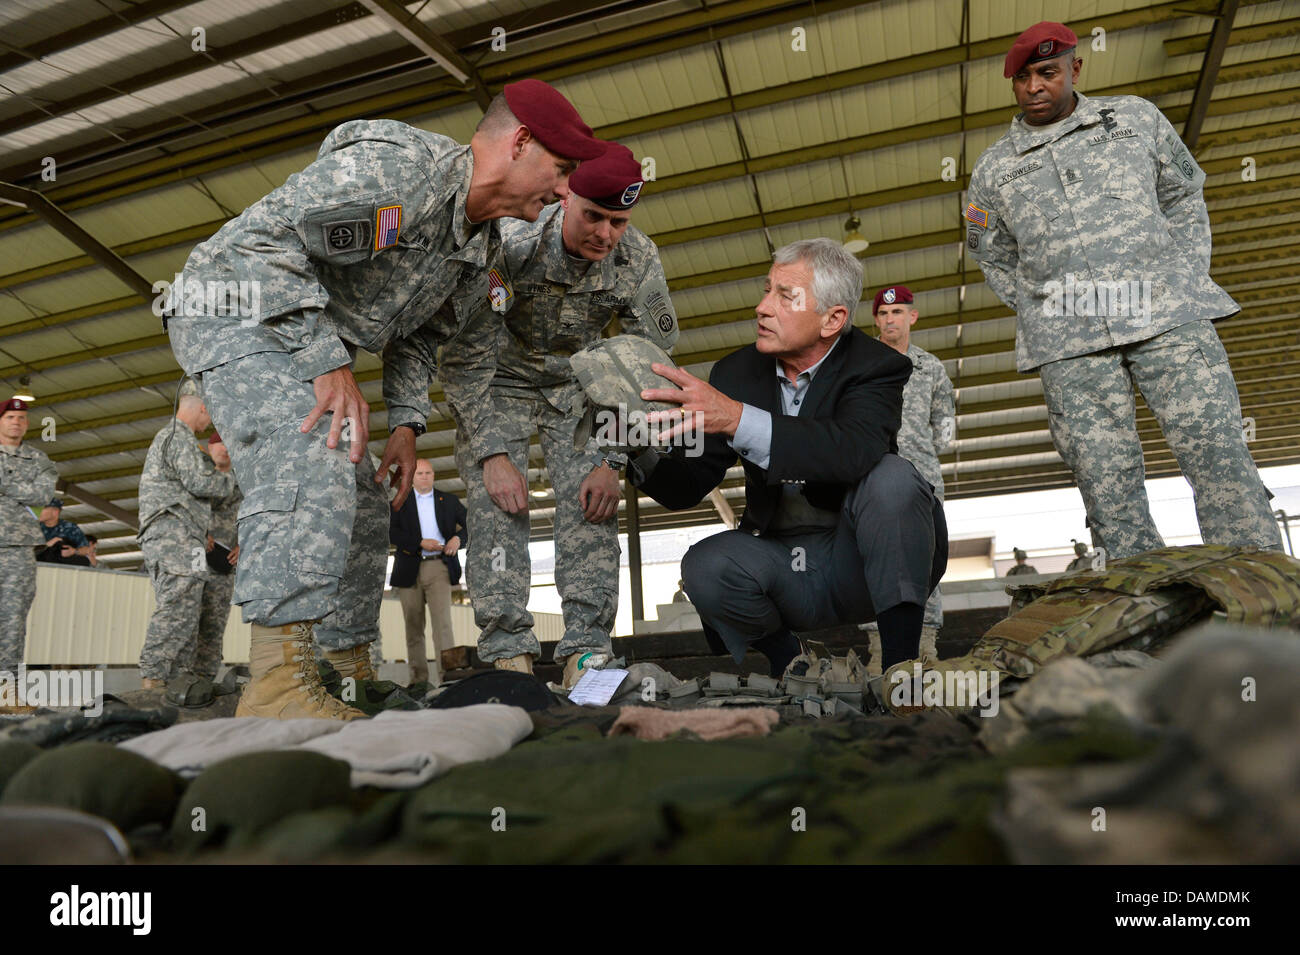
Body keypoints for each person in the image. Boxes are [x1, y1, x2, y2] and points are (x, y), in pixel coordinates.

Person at [164, 79, 605, 719]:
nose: (565, 191)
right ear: (519, 142)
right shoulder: (398, 172)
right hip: (232, 304)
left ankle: (344, 669)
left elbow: (423, 335)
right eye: (561, 170)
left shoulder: (481, 252)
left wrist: (406, 426)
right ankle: (275, 684)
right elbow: (265, 243)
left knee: (366, 494)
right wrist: (327, 359)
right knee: (311, 452)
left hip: (301, 331)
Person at [965, 21, 1282, 560]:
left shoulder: (1136, 118)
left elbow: (1183, 194)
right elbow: (990, 253)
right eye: (1022, 79)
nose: (1035, 87)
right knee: (1105, 481)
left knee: (1218, 454)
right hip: (1071, 346)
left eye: (1047, 72)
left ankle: (1261, 588)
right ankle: (1147, 608)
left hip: (1169, 319)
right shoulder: (992, 171)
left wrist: (1182, 278)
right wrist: (1049, 310)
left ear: (1075, 69)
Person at [628, 238, 948, 676]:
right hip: (786, 566)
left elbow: (852, 450)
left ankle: (899, 669)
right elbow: (690, 482)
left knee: (894, 478)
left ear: (832, 319)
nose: (762, 307)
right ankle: (793, 662)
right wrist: (634, 449)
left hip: (859, 559)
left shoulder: (876, 365)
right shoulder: (734, 373)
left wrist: (739, 419)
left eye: (785, 296)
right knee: (706, 564)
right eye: (766, 290)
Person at [443, 142, 678, 688]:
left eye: (618, 221)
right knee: (499, 506)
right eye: (593, 216)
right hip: (499, 375)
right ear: (566, 196)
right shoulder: (512, 242)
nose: (605, 233)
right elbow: (464, 353)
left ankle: (585, 654)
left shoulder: (636, 258)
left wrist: (612, 459)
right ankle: (508, 655)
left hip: (580, 383)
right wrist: (492, 454)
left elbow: (649, 366)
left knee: (593, 507)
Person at [864, 284, 955, 670]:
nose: (890, 320)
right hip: (871, 476)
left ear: (912, 317)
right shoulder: (860, 363)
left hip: (923, 477)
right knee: (872, 556)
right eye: (883, 314)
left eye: (897, 312)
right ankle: (879, 650)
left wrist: (919, 450)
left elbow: (945, 430)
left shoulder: (930, 367)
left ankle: (927, 645)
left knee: (927, 556)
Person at [136, 380, 237, 690]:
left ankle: (178, 682)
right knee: (178, 605)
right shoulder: (176, 437)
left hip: (186, 536)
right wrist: (237, 483)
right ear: (203, 407)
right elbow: (201, 483)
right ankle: (155, 678)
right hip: (173, 534)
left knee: (189, 611)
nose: (209, 423)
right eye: (210, 415)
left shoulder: (179, 439)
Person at [389, 459, 467, 685]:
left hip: (438, 567)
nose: (425, 476)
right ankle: (418, 680)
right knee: (413, 627)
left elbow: (471, 523)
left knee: (443, 625)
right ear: (411, 476)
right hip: (408, 568)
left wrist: (457, 538)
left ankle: (448, 678)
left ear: (434, 475)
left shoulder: (449, 501)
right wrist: (419, 542)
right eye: (420, 473)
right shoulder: (399, 502)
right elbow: (391, 533)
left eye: (428, 473)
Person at [0, 398, 57, 708]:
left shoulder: (39, 458)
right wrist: (22, 493)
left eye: (21, 418)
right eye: (9, 416)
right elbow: (32, 494)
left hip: (19, 549)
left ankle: (6, 693)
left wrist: (5, 487)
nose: (16, 423)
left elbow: (44, 493)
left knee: (13, 623)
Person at [185, 431, 242, 681]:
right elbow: (180, 508)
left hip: (224, 564)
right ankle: (181, 678)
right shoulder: (199, 477)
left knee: (214, 625)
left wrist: (244, 545)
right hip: (195, 560)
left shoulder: (244, 482)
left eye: (228, 445)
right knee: (188, 619)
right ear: (209, 448)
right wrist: (201, 531)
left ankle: (205, 680)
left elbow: (253, 516)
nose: (224, 449)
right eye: (218, 445)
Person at [35, 498, 92, 566]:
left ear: (55, 511)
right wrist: (47, 545)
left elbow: (86, 550)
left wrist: (74, 551)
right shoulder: (33, 527)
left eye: (42, 508)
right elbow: (26, 551)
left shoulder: (70, 528)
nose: (37, 511)